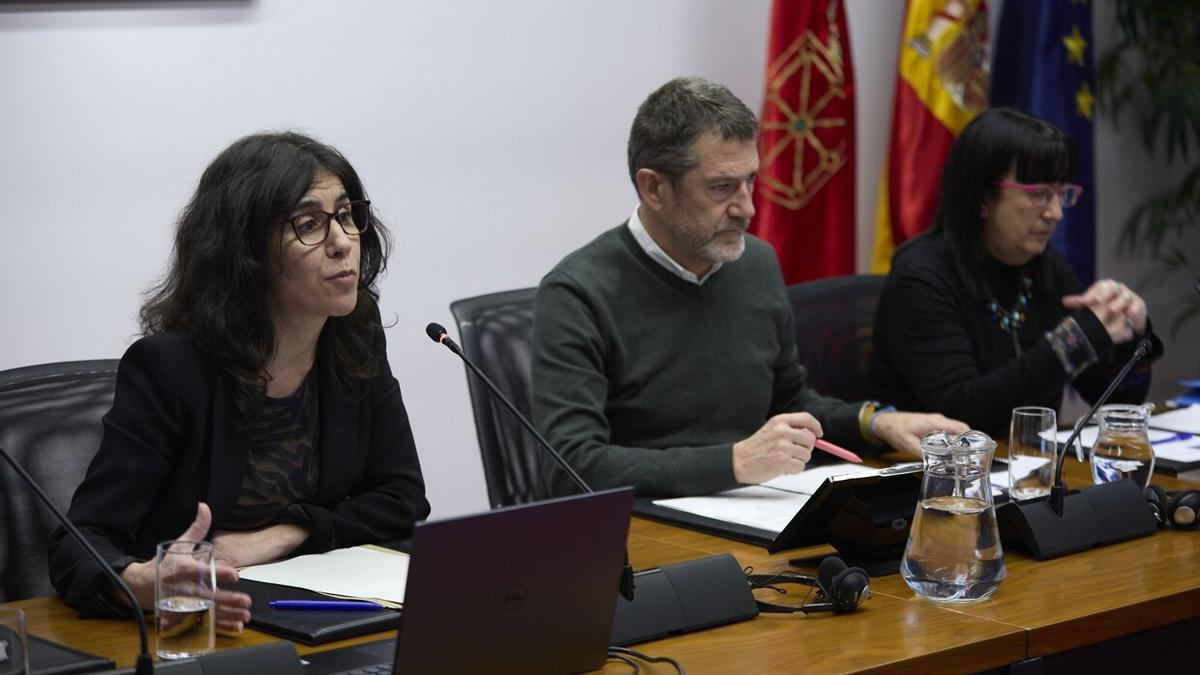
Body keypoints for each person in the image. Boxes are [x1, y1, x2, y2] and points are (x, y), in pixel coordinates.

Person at [48, 132, 431, 630]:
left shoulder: (352, 337)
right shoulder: (171, 370)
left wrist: (283, 534)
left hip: (314, 620)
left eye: (346, 214)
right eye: (308, 224)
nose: (342, 242)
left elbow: (401, 496)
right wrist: (138, 582)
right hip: (191, 632)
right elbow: (80, 542)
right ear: (245, 250)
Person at [532, 77, 966, 499]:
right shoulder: (578, 293)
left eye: (751, 180)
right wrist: (733, 462)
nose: (747, 207)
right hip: (647, 536)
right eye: (722, 187)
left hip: (751, 515)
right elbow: (571, 465)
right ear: (654, 188)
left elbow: (790, 403)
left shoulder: (755, 263)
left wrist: (875, 423)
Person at [870, 108, 1164, 437]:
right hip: (932, 476)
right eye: (1038, 194)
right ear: (982, 197)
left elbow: (1116, 401)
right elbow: (962, 414)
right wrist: (1077, 340)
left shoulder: (1047, 268)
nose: (1055, 213)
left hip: (1026, 472)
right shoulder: (921, 278)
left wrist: (1128, 335)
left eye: (1061, 194)